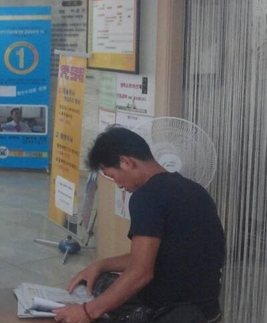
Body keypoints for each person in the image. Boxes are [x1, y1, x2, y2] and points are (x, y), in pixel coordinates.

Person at [53, 127, 225, 323]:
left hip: (172, 313)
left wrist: (87, 312)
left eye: (113, 176)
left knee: (86, 303)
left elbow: (141, 272)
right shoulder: (195, 190)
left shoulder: (147, 196)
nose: (118, 185)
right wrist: (100, 265)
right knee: (99, 280)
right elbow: (157, 256)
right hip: (208, 311)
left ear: (126, 162)